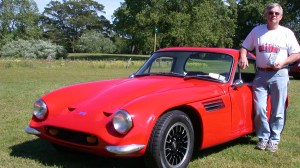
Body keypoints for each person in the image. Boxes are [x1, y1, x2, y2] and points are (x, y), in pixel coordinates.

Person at [239, 3, 300, 152]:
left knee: (278, 110)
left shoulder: (286, 33)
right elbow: (245, 46)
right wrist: (243, 55)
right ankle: (263, 137)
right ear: (266, 15)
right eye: (271, 13)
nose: (273, 15)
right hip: (260, 74)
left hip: (280, 74)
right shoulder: (257, 31)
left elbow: (296, 54)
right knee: (260, 108)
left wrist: (284, 62)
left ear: (281, 16)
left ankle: (274, 139)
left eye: (276, 13)